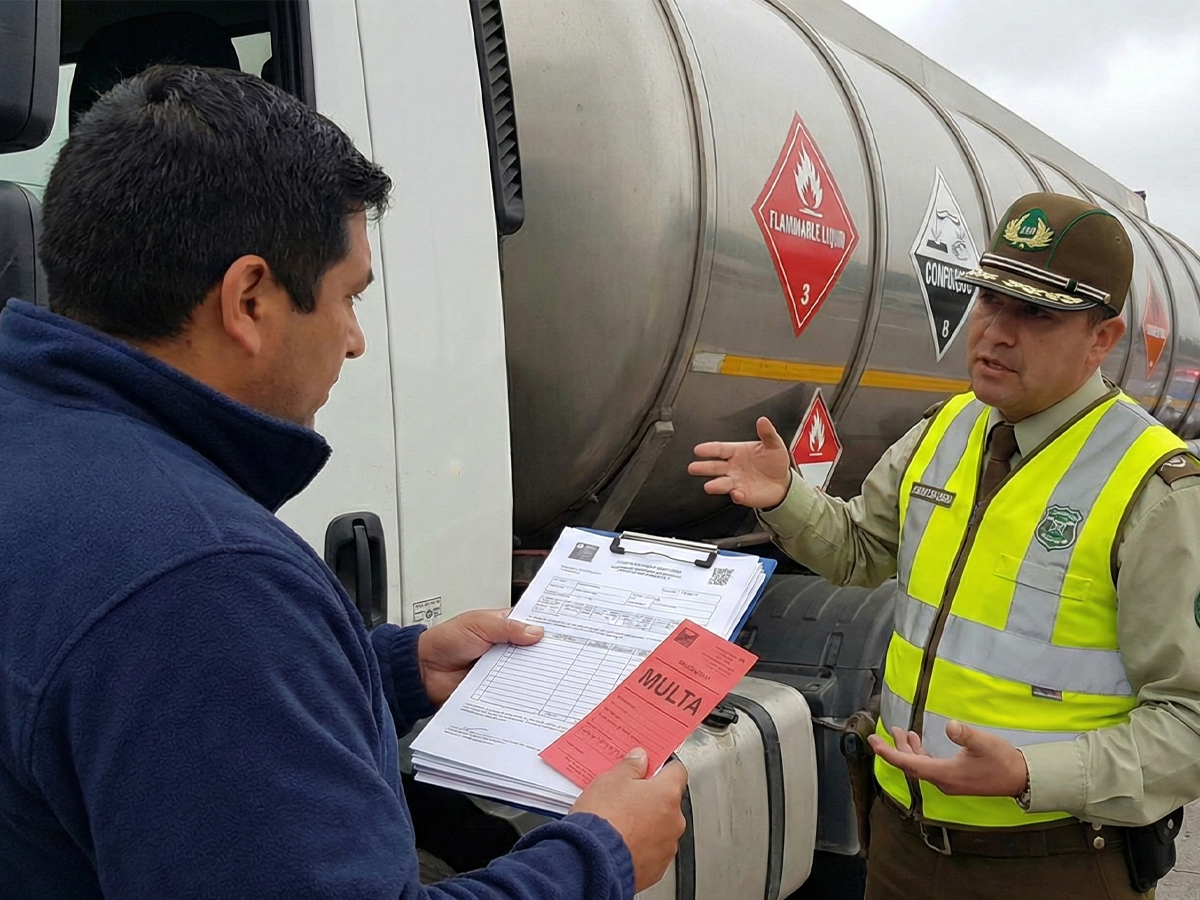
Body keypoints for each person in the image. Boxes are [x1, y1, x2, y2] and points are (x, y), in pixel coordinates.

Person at [0, 65, 686, 900]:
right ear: (249, 298)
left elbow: (159, 714)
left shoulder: (37, 442)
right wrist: (600, 856)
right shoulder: (207, 584)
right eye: (347, 298)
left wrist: (396, 669)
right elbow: (187, 659)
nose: (355, 342)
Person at [690, 192, 1200, 899]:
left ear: (1103, 339)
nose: (996, 332)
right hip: (901, 840)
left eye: (1038, 314)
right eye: (991, 301)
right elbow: (862, 552)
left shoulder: (1155, 488)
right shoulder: (948, 428)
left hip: (1050, 861)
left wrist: (1030, 774)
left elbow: (1189, 719)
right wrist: (785, 499)